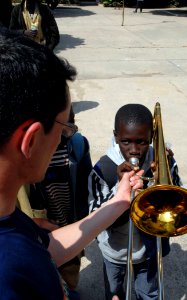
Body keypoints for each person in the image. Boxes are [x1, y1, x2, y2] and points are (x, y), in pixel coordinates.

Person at [0, 28, 143, 300]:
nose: (66, 138)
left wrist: (120, 201)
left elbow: (45, 249)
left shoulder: (8, 218)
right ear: (29, 142)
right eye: (65, 128)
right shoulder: (6, 277)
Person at [88, 103, 183, 300]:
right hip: (114, 252)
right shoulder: (102, 169)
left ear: (151, 138)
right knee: (115, 292)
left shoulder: (162, 162)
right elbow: (94, 216)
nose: (134, 150)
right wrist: (120, 191)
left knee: (149, 293)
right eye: (125, 142)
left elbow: (178, 204)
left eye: (141, 142)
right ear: (116, 136)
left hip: (149, 251)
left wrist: (160, 179)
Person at [18, 106, 93, 300]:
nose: (63, 137)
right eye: (59, 129)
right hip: (41, 232)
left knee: (70, 273)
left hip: (70, 223)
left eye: (71, 127)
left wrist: (83, 220)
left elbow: (87, 185)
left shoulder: (78, 145)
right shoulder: (27, 156)